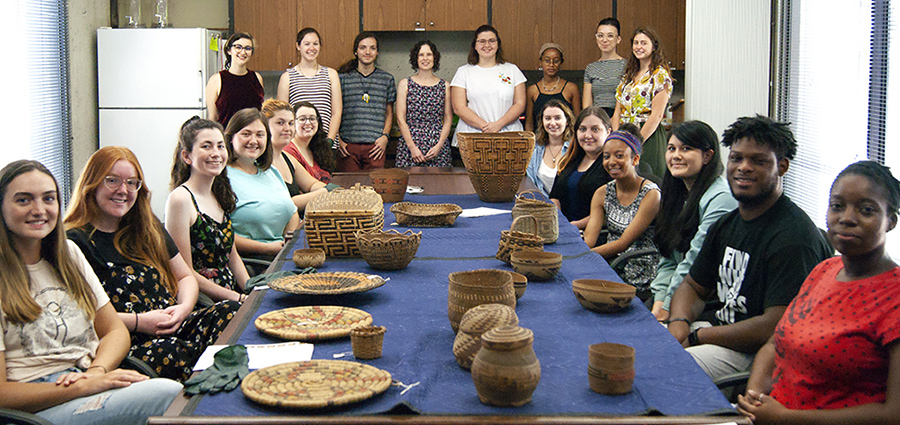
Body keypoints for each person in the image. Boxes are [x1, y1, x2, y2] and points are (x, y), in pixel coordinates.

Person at [0, 160, 181, 425]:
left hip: (84, 378)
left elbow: (115, 330)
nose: (39, 210)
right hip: (35, 410)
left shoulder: (68, 255)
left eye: (48, 199)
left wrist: (97, 371)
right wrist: (83, 387)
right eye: (24, 200)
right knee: (169, 396)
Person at [665, 115, 832, 382]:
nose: (743, 167)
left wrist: (698, 336)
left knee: (662, 369)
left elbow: (775, 325)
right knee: (640, 345)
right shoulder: (728, 223)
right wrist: (679, 324)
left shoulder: (794, 238)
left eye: (758, 161)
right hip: (716, 331)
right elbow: (694, 287)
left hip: (759, 354)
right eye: (736, 158)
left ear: (783, 167)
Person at [737, 161, 900, 425]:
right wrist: (755, 397)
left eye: (866, 210)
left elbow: (894, 415)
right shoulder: (824, 270)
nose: (846, 218)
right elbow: (773, 344)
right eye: (837, 206)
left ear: (890, 221)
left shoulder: (895, 295)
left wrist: (787, 418)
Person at [65, 147, 240, 381]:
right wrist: (140, 322)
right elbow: (79, 316)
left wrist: (183, 308)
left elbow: (185, 276)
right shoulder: (73, 243)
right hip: (130, 341)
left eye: (131, 183)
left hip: (175, 322)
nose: (123, 190)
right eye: (112, 181)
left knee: (232, 314)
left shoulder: (147, 228)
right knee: (181, 354)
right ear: (92, 183)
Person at [649, 121, 737, 321]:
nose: (676, 155)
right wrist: (660, 302)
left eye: (686, 149)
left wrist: (669, 305)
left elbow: (694, 260)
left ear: (707, 156)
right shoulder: (679, 194)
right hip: (677, 292)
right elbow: (669, 257)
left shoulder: (721, 197)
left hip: (708, 300)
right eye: (671, 149)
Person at [165, 117, 251, 304]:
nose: (216, 153)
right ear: (186, 156)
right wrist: (238, 298)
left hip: (233, 295)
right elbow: (185, 272)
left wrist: (252, 289)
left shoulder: (219, 193)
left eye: (220, 146)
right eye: (206, 146)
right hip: (204, 301)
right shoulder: (180, 199)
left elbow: (232, 255)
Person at [583, 129, 661, 297]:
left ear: (635, 159)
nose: (611, 162)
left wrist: (582, 256)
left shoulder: (651, 194)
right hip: (611, 264)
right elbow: (590, 239)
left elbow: (624, 243)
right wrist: (578, 252)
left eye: (619, 156)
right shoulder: (602, 193)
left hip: (641, 269)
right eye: (606, 156)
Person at [225, 108, 301, 260]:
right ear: (231, 138)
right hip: (251, 260)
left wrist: (288, 244)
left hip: (282, 254)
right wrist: (268, 248)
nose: (253, 141)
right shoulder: (222, 178)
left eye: (260, 135)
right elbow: (222, 234)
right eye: (246, 134)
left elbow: (292, 211)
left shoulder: (271, 171)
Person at [450, 25, 527, 149]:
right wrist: (486, 128)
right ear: (475, 46)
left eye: (492, 41)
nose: (487, 45)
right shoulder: (463, 72)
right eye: (482, 41)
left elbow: (520, 104)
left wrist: (499, 125)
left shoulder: (512, 70)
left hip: (508, 136)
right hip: (473, 138)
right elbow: (459, 107)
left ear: (498, 44)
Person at [613, 27, 673, 178]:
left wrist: (636, 142)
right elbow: (617, 112)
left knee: (648, 179)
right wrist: (615, 137)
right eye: (636, 43)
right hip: (624, 134)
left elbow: (657, 115)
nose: (639, 47)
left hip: (648, 136)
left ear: (654, 46)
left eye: (644, 43)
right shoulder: (628, 75)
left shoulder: (659, 75)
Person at [336, 32, 396, 171]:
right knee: (349, 190)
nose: (367, 52)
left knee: (373, 190)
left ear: (377, 52)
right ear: (355, 51)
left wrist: (385, 137)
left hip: (376, 147)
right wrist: (338, 139)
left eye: (372, 48)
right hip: (348, 147)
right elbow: (335, 111)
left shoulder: (387, 79)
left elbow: (389, 113)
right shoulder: (342, 79)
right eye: (363, 47)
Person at [549, 106, 613, 230]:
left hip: (595, 235)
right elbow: (555, 196)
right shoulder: (569, 160)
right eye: (583, 129)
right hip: (561, 229)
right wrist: (559, 222)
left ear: (608, 132)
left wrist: (572, 226)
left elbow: (610, 212)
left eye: (595, 129)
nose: (588, 135)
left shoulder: (613, 166)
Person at [276, 28, 342, 144]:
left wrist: (330, 139)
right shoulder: (287, 77)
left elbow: (336, 112)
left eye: (315, 44)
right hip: (296, 143)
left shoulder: (331, 74)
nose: (312, 48)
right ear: (298, 46)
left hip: (325, 142)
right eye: (307, 44)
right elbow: (282, 115)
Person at [260, 99, 328, 210]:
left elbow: (311, 185)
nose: (287, 128)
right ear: (265, 126)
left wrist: (334, 191)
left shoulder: (287, 158)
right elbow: (281, 204)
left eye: (291, 123)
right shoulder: (259, 162)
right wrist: (326, 192)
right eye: (280, 123)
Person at [395, 40, 453, 168]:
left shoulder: (445, 86)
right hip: (410, 146)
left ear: (435, 57)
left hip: (437, 147)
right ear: (415, 58)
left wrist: (439, 146)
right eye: (421, 55)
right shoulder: (405, 84)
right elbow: (400, 118)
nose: (425, 58)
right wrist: (412, 148)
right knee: (409, 186)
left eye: (429, 54)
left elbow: (448, 119)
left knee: (439, 186)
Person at [205, 32, 264, 127]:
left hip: (252, 136)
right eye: (238, 47)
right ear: (229, 50)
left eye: (247, 48)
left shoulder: (257, 78)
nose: (243, 52)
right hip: (227, 137)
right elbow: (213, 117)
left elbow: (260, 113)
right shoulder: (217, 80)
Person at [525, 43, 581, 132]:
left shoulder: (571, 88)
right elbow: (529, 123)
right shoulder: (532, 90)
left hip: (566, 141)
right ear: (540, 62)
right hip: (540, 141)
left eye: (556, 61)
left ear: (561, 63)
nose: (551, 64)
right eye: (547, 61)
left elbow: (577, 120)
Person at [526, 99, 574, 197]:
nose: (552, 123)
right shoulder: (534, 149)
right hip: (541, 205)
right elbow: (530, 182)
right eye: (548, 118)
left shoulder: (574, 149)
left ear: (567, 121)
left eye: (557, 118)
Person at [583, 17, 627, 118]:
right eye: (600, 36)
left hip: (621, 119)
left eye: (610, 36)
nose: (605, 40)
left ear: (618, 39)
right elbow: (587, 106)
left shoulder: (627, 66)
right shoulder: (591, 68)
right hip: (597, 119)